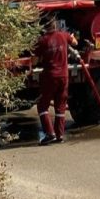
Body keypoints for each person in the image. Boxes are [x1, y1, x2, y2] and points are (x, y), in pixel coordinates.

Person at [33, 17, 77, 145]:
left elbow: (35, 61)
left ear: (42, 28)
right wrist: (72, 37)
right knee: (60, 106)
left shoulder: (42, 41)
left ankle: (50, 133)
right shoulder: (63, 35)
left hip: (50, 77)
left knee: (42, 105)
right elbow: (75, 43)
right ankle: (59, 135)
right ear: (55, 26)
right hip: (64, 76)